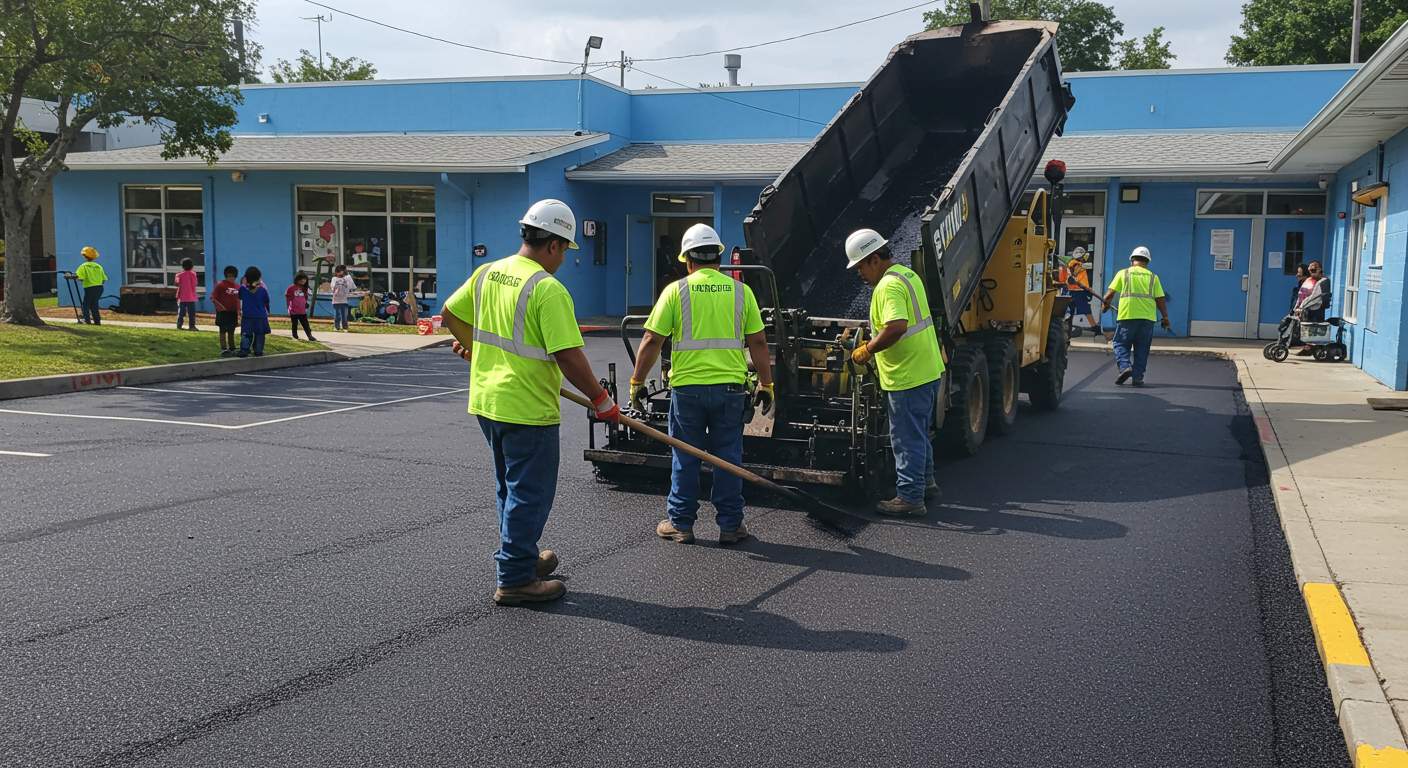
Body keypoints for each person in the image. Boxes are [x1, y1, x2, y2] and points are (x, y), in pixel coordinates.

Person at [441, 199, 619, 606]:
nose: (563, 260)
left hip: (488, 402)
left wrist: (476, 349)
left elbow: (450, 312)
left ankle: (518, 555)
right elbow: (568, 354)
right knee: (529, 493)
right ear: (554, 245)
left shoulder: (489, 272)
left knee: (510, 487)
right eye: (565, 251)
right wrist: (601, 398)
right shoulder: (545, 288)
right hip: (527, 409)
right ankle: (517, 578)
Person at [628, 223, 773, 546]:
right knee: (728, 457)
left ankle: (680, 523)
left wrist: (637, 381)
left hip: (688, 391)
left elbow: (652, 339)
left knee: (685, 456)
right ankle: (731, 525)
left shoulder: (676, 291)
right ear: (718, 260)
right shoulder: (741, 292)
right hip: (731, 390)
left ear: (687, 260)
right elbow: (759, 342)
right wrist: (767, 384)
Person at [845, 228, 945, 517]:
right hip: (926, 370)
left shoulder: (887, 286)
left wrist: (867, 349)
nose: (860, 273)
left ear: (875, 259)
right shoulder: (908, 275)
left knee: (905, 437)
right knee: (919, 432)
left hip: (908, 374)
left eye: (861, 266)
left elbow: (897, 326)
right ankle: (925, 483)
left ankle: (910, 497)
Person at [1101, 246, 1170, 387]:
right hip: (1147, 319)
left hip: (1127, 316)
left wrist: (1105, 306)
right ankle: (1137, 377)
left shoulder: (1123, 273)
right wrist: (1165, 317)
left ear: (1132, 260)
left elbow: (1109, 295)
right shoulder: (1153, 277)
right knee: (1142, 348)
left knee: (1120, 343)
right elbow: (1160, 299)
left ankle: (1125, 367)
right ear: (1147, 261)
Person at [1062, 248, 1106, 340]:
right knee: (1086, 311)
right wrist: (1086, 288)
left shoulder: (1074, 264)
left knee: (1071, 312)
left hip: (1075, 291)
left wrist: (1087, 288)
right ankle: (1095, 329)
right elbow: (1074, 278)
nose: (1085, 258)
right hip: (1078, 292)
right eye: (1084, 256)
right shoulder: (1076, 264)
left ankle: (1067, 331)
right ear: (1080, 256)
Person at [1294, 260, 1332, 356]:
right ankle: (1308, 348)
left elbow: (1315, 297)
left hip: (1316, 309)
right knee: (1307, 329)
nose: (1311, 272)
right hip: (1306, 309)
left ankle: (1314, 349)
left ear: (1320, 269)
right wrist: (1297, 306)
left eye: (1314, 270)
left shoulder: (1323, 281)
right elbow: (1301, 294)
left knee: (1314, 329)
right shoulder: (1309, 280)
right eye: (1310, 270)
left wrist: (1302, 306)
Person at [238, 266, 271, 358]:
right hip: (260, 316)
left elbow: (240, 297)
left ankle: (244, 350)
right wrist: (268, 311)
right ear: (258, 278)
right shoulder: (262, 290)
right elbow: (266, 302)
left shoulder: (242, 289)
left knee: (246, 333)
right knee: (260, 334)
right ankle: (258, 350)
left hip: (248, 315)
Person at [212, 265, 242, 356]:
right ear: (226, 276)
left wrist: (239, 310)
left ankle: (232, 348)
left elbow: (238, 299)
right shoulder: (220, 285)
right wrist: (221, 307)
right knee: (223, 330)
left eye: (233, 276)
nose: (231, 278)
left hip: (233, 312)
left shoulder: (237, 286)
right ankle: (224, 348)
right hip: (223, 312)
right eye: (229, 276)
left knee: (231, 330)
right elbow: (213, 298)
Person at [73, 246, 106, 325]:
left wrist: (74, 277)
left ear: (84, 256)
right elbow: (104, 279)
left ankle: (86, 320)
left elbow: (80, 278)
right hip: (100, 287)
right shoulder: (99, 266)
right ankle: (97, 321)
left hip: (89, 288)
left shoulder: (83, 266)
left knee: (86, 305)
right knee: (94, 304)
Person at [285, 271, 317, 341]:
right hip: (293, 310)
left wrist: (306, 304)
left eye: (305, 279)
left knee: (305, 324)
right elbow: (287, 298)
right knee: (294, 324)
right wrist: (288, 308)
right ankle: (295, 336)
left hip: (302, 310)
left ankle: (310, 336)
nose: (303, 280)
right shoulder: (291, 288)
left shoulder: (305, 288)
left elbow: (306, 297)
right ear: (297, 279)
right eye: (301, 279)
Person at [329, 264, 358, 331]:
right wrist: (337, 285)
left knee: (344, 315)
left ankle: (345, 327)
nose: (341, 273)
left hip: (344, 300)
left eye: (342, 271)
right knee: (337, 315)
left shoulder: (347, 278)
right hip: (336, 300)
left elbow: (351, 287)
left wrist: (346, 280)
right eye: (339, 271)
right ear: (336, 272)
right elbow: (332, 287)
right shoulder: (334, 278)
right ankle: (336, 327)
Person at [175, 258, 199, 331]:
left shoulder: (179, 275)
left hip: (182, 297)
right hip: (191, 297)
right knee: (191, 313)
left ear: (182, 266)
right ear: (192, 266)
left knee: (181, 313)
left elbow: (176, 284)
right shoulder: (193, 274)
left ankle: (179, 325)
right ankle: (192, 326)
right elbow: (195, 284)